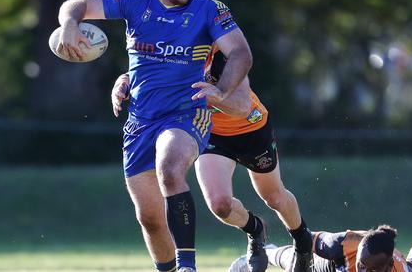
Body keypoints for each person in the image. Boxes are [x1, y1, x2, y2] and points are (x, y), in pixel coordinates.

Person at [57, 0, 253, 272]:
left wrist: (220, 90)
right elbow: (74, 4)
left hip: (186, 113)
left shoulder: (209, 9)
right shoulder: (135, 2)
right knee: (149, 218)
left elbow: (241, 53)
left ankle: (188, 266)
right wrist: (69, 25)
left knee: (170, 167)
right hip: (140, 120)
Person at [111, 43, 315, 272]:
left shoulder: (225, 54)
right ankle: (255, 229)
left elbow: (242, 106)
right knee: (220, 205)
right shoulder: (173, 50)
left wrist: (211, 96)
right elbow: (144, 69)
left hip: (250, 128)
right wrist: (123, 82)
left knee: (274, 197)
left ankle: (303, 241)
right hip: (208, 132)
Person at [227, 225, 412, 272]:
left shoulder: (399, 269)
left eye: (371, 270)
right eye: (361, 265)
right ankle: (266, 251)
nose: (362, 271)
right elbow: (305, 239)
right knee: (293, 261)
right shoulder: (341, 245)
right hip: (329, 265)